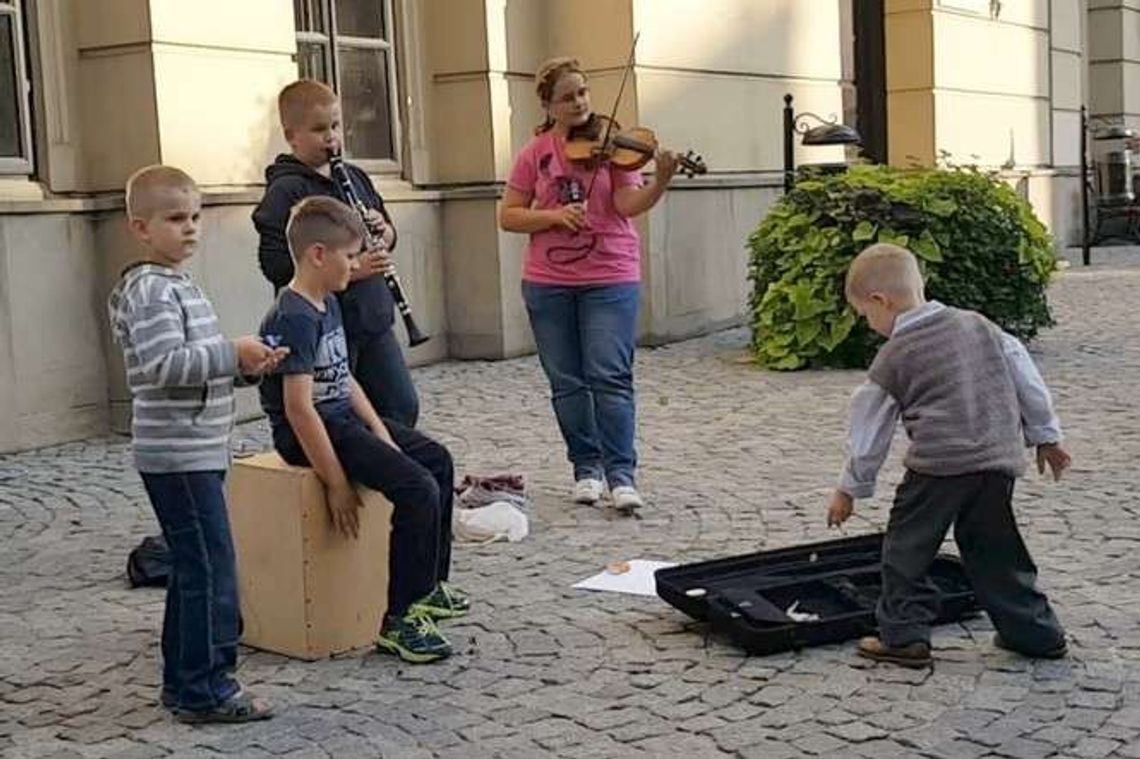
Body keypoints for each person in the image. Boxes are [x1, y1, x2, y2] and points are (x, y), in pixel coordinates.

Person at [827, 243, 1071, 668]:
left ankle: (904, 637)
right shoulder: (979, 325)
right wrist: (1045, 436)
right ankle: (1036, 633)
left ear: (881, 301)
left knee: (906, 550)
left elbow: (869, 431)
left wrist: (849, 489)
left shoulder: (895, 355)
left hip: (937, 468)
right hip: (995, 464)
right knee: (996, 550)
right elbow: (1025, 378)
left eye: (865, 315)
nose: (869, 325)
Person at [108, 165, 286, 722]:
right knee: (210, 569)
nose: (189, 228)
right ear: (140, 228)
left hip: (199, 448)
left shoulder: (179, 284)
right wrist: (232, 352)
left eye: (194, 217)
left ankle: (185, 681)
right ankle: (206, 689)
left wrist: (248, 367)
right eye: (174, 219)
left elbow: (200, 367)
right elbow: (162, 366)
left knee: (194, 567)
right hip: (177, 452)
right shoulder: (151, 290)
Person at [258, 196, 468, 663]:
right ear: (318, 254)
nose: (356, 265)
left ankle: (431, 586)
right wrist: (335, 482)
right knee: (417, 489)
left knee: (437, 461)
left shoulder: (328, 301)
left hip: (343, 419)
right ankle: (401, 619)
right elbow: (299, 409)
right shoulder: (292, 316)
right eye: (350, 256)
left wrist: (381, 430)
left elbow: (344, 378)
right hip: (311, 432)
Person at [498, 56, 678, 513]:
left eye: (582, 92)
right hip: (548, 280)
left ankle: (622, 476)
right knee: (566, 382)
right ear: (548, 105)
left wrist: (660, 182)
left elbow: (627, 203)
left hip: (610, 275)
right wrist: (553, 215)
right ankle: (586, 469)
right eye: (567, 97)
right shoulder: (535, 154)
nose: (579, 103)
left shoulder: (615, 147)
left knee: (610, 375)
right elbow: (509, 215)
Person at [253, 78, 419, 428]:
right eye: (318, 130)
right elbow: (276, 265)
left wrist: (383, 231)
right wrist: (353, 270)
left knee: (401, 408)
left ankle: (383, 460)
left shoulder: (354, 177)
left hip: (372, 321)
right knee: (341, 418)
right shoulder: (285, 190)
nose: (331, 137)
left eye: (335, 126)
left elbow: (388, 234)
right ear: (291, 136)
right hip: (324, 327)